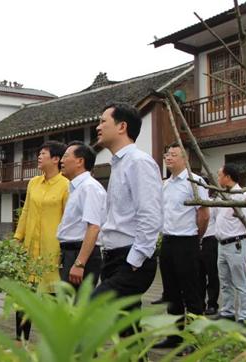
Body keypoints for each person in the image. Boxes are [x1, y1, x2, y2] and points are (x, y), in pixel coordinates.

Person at [91, 103, 162, 326]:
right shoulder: (119, 164)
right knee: (126, 328)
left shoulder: (138, 162)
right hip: (113, 257)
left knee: (86, 312)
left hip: (130, 259)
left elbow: (150, 215)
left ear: (122, 126)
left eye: (103, 121)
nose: (97, 127)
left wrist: (134, 260)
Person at [155, 142, 209, 351]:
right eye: (167, 154)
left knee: (192, 292)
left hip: (187, 241)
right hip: (168, 242)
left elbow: (203, 214)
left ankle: (195, 339)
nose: (169, 158)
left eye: (174, 155)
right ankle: (175, 336)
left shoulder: (195, 182)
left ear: (185, 158)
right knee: (171, 292)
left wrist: (197, 237)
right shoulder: (165, 184)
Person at [13, 140, 69, 341]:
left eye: (43, 153)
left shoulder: (66, 185)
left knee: (51, 297)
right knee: (23, 297)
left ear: (56, 159)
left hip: (51, 252)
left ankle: (54, 343)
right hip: (29, 251)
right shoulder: (33, 183)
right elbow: (26, 211)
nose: (39, 156)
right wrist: (17, 238)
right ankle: (21, 341)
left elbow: (67, 219)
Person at [57, 141, 105, 289]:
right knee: (67, 306)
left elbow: (94, 227)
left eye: (65, 156)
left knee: (77, 306)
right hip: (71, 253)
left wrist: (80, 263)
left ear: (79, 161)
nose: (61, 161)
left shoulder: (89, 187)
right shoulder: (76, 187)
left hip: (81, 254)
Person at [215, 163, 246, 323]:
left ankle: (244, 316)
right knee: (225, 281)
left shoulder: (242, 196)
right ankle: (227, 311)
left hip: (236, 243)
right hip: (221, 244)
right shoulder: (222, 195)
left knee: (240, 282)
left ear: (228, 177)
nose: (217, 178)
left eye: (219, 175)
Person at [199, 185, 219, 316]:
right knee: (198, 274)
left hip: (210, 239)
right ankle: (199, 303)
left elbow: (218, 220)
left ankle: (212, 303)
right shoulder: (193, 202)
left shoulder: (213, 203)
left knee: (212, 274)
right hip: (196, 240)